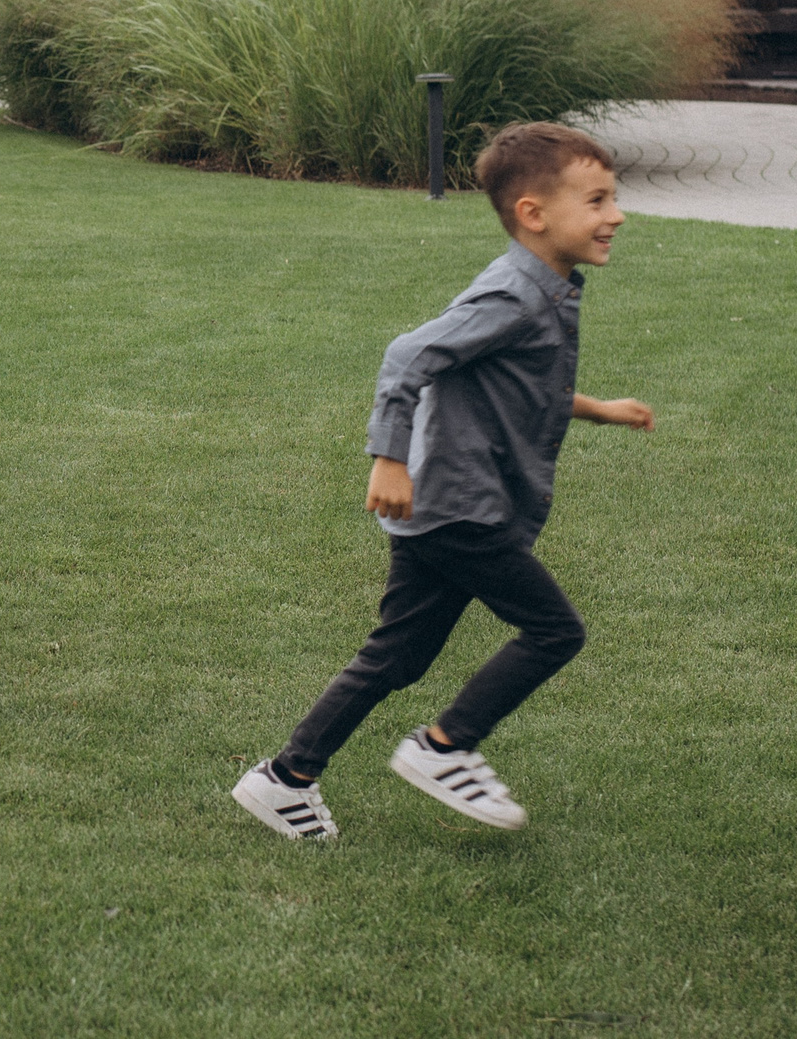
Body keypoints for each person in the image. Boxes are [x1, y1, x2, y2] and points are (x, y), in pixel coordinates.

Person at [231, 121, 656, 840]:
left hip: (442, 504)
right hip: (461, 505)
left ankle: (285, 777)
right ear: (533, 212)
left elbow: (510, 383)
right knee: (554, 630)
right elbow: (407, 358)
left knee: (396, 655)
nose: (616, 214)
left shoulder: (542, 290)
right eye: (597, 200)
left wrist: (597, 409)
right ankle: (444, 746)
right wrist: (388, 456)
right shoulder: (517, 295)